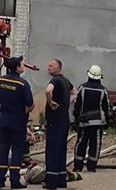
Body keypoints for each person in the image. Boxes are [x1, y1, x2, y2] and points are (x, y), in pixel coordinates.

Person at [0, 56, 32, 189]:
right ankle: (14, 182)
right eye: (22, 64)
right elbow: (29, 104)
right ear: (17, 68)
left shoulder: (0, 81)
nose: (23, 66)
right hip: (18, 121)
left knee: (3, 149)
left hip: (4, 120)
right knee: (17, 151)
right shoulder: (22, 83)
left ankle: (0, 180)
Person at [72, 64, 111, 173]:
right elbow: (106, 107)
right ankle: (92, 166)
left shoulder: (82, 88)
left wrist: (76, 118)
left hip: (84, 121)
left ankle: (78, 166)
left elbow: (77, 105)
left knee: (81, 143)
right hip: (97, 122)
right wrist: (107, 121)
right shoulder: (103, 90)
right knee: (95, 143)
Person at [42, 59, 73, 189]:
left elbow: (48, 91)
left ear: (58, 68)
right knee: (61, 149)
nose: (48, 67)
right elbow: (75, 92)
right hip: (64, 119)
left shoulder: (55, 80)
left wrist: (50, 102)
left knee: (52, 149)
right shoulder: (66, 81)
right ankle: (61, 179)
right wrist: (66, 104)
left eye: (51, 66)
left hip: (54, 120)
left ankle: (51, 181)